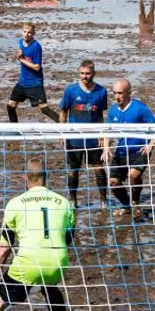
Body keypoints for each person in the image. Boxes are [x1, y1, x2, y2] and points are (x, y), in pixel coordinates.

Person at [0, 159, 77, 311]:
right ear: (46, 177)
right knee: (51, 288)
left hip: (28, 263)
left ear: (25, 178)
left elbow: (5, 246)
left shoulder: (15, 204)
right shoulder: (65, 203)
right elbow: (68, 238)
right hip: (57, 260)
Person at [101, 79, 155, 218]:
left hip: (140, 150)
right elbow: (108, 130)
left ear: (128, 93)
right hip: (121, 150)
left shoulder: (140, 108)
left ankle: (135, 202)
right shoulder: (113, 110)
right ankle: (127, 206)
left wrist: (151, 144)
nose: (117, 96)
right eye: (115, 93)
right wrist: (106, 147)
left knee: (134, 175)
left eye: (120, 93)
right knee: (113, 182)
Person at [59, 59, 108, 210]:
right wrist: (63, 133)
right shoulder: (71, 90)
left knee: (99, 168)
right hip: (75, 138)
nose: (84, 76)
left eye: (87, 73)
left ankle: (103, 200)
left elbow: (100, 115)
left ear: (93, 73)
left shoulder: (101, 91)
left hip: (93, 138)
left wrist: (102, 134)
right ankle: (73, 199)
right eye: (82, 73)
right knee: (74, 169)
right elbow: (63, 112)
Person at [6, 23, 60, 123]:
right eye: (25, 32)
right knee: (10, 106)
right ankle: (15, 131)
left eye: (29, 32)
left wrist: (21, 59)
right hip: (22, 83)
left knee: (44, 109)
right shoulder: (21, 42)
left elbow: (37, 67)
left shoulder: (36, 47)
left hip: (35, 84)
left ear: (33, 33)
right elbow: (21, 54)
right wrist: (19, 55)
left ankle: (63, 126)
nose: (26, 34)